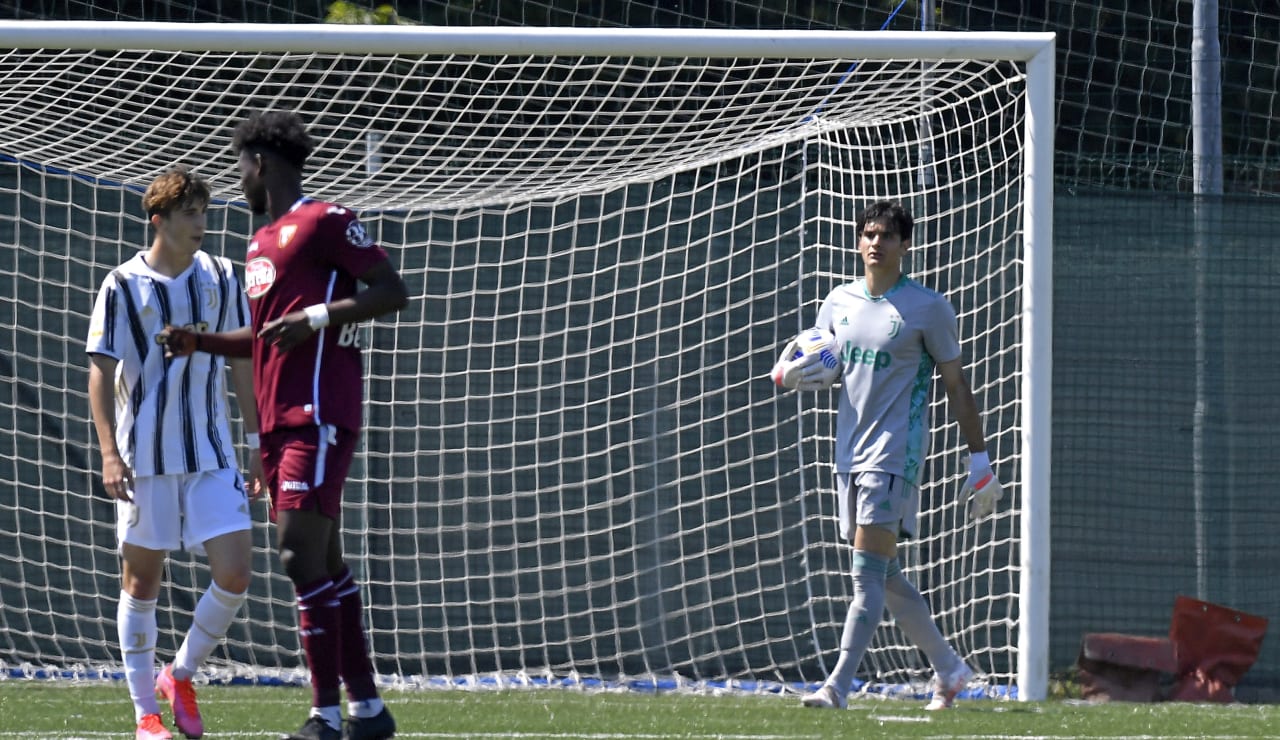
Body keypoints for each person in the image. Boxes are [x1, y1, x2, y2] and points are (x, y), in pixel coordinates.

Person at [160, 110, 408, 740]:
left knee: (298, 555)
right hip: (277, 423)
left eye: (239, 165)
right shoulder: (258, 241)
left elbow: (390, 290)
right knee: (325, 561)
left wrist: (319, 318)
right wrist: (199, 342)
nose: (237, 177)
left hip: (318, 413)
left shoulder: (325, 220)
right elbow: (264, 339)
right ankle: (369, 712)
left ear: (260, 164)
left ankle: (325, 716)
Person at [771, 200, 1004, 711]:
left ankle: (837, 686)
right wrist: (794, 372)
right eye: (868, 234)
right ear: (858, 241)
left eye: (886, 235)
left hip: (895, 455)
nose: (875, 242)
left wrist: (979, 459)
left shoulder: (928, 308)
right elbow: (821, 361)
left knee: (865, 574)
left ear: (905, 244)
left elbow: (957, 384)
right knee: (884, 573)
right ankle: (949, 668)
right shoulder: (837, 301)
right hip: (847, 454)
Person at [87, 166, 262, 740]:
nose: (202, 225)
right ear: (159, 221)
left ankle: (180, 674)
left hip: (212, 453)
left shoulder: (222, 277)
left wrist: (259, 442)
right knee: (141, 586)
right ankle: (145, 715)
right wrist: (110, 453)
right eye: (191, 214)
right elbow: (101, 372)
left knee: (235, 574)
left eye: (205, 213)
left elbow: (242, 362)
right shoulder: (121, 285)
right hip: (146, 461)